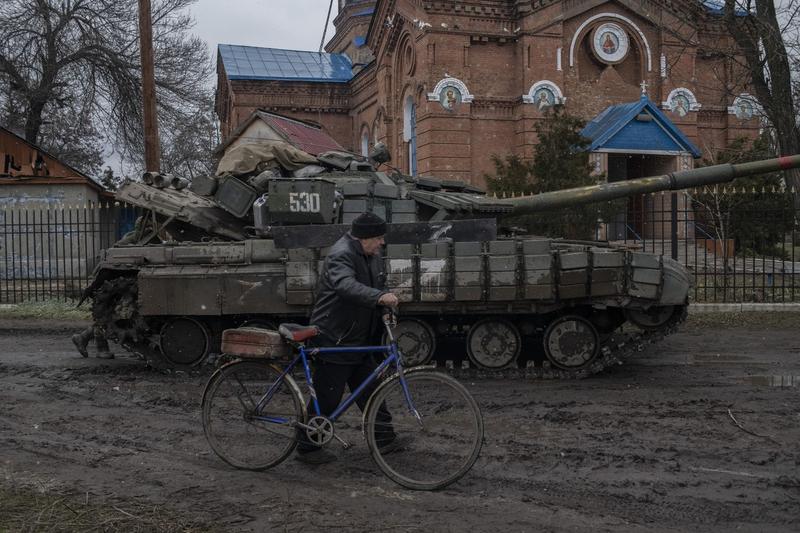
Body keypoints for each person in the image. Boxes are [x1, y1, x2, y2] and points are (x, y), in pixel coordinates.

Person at [295, 212, 401, 464]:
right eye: (378, 238)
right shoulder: (341, 254)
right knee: (327, 396)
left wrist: (384, 298)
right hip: (335, 336)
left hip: (357, 337)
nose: (381, 243)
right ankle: (307, 447)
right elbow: (345, 285)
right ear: (364, 238)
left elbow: (373, 286)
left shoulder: (370, 254)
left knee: (370, 390)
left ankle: (384, 439)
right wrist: (378, 297)